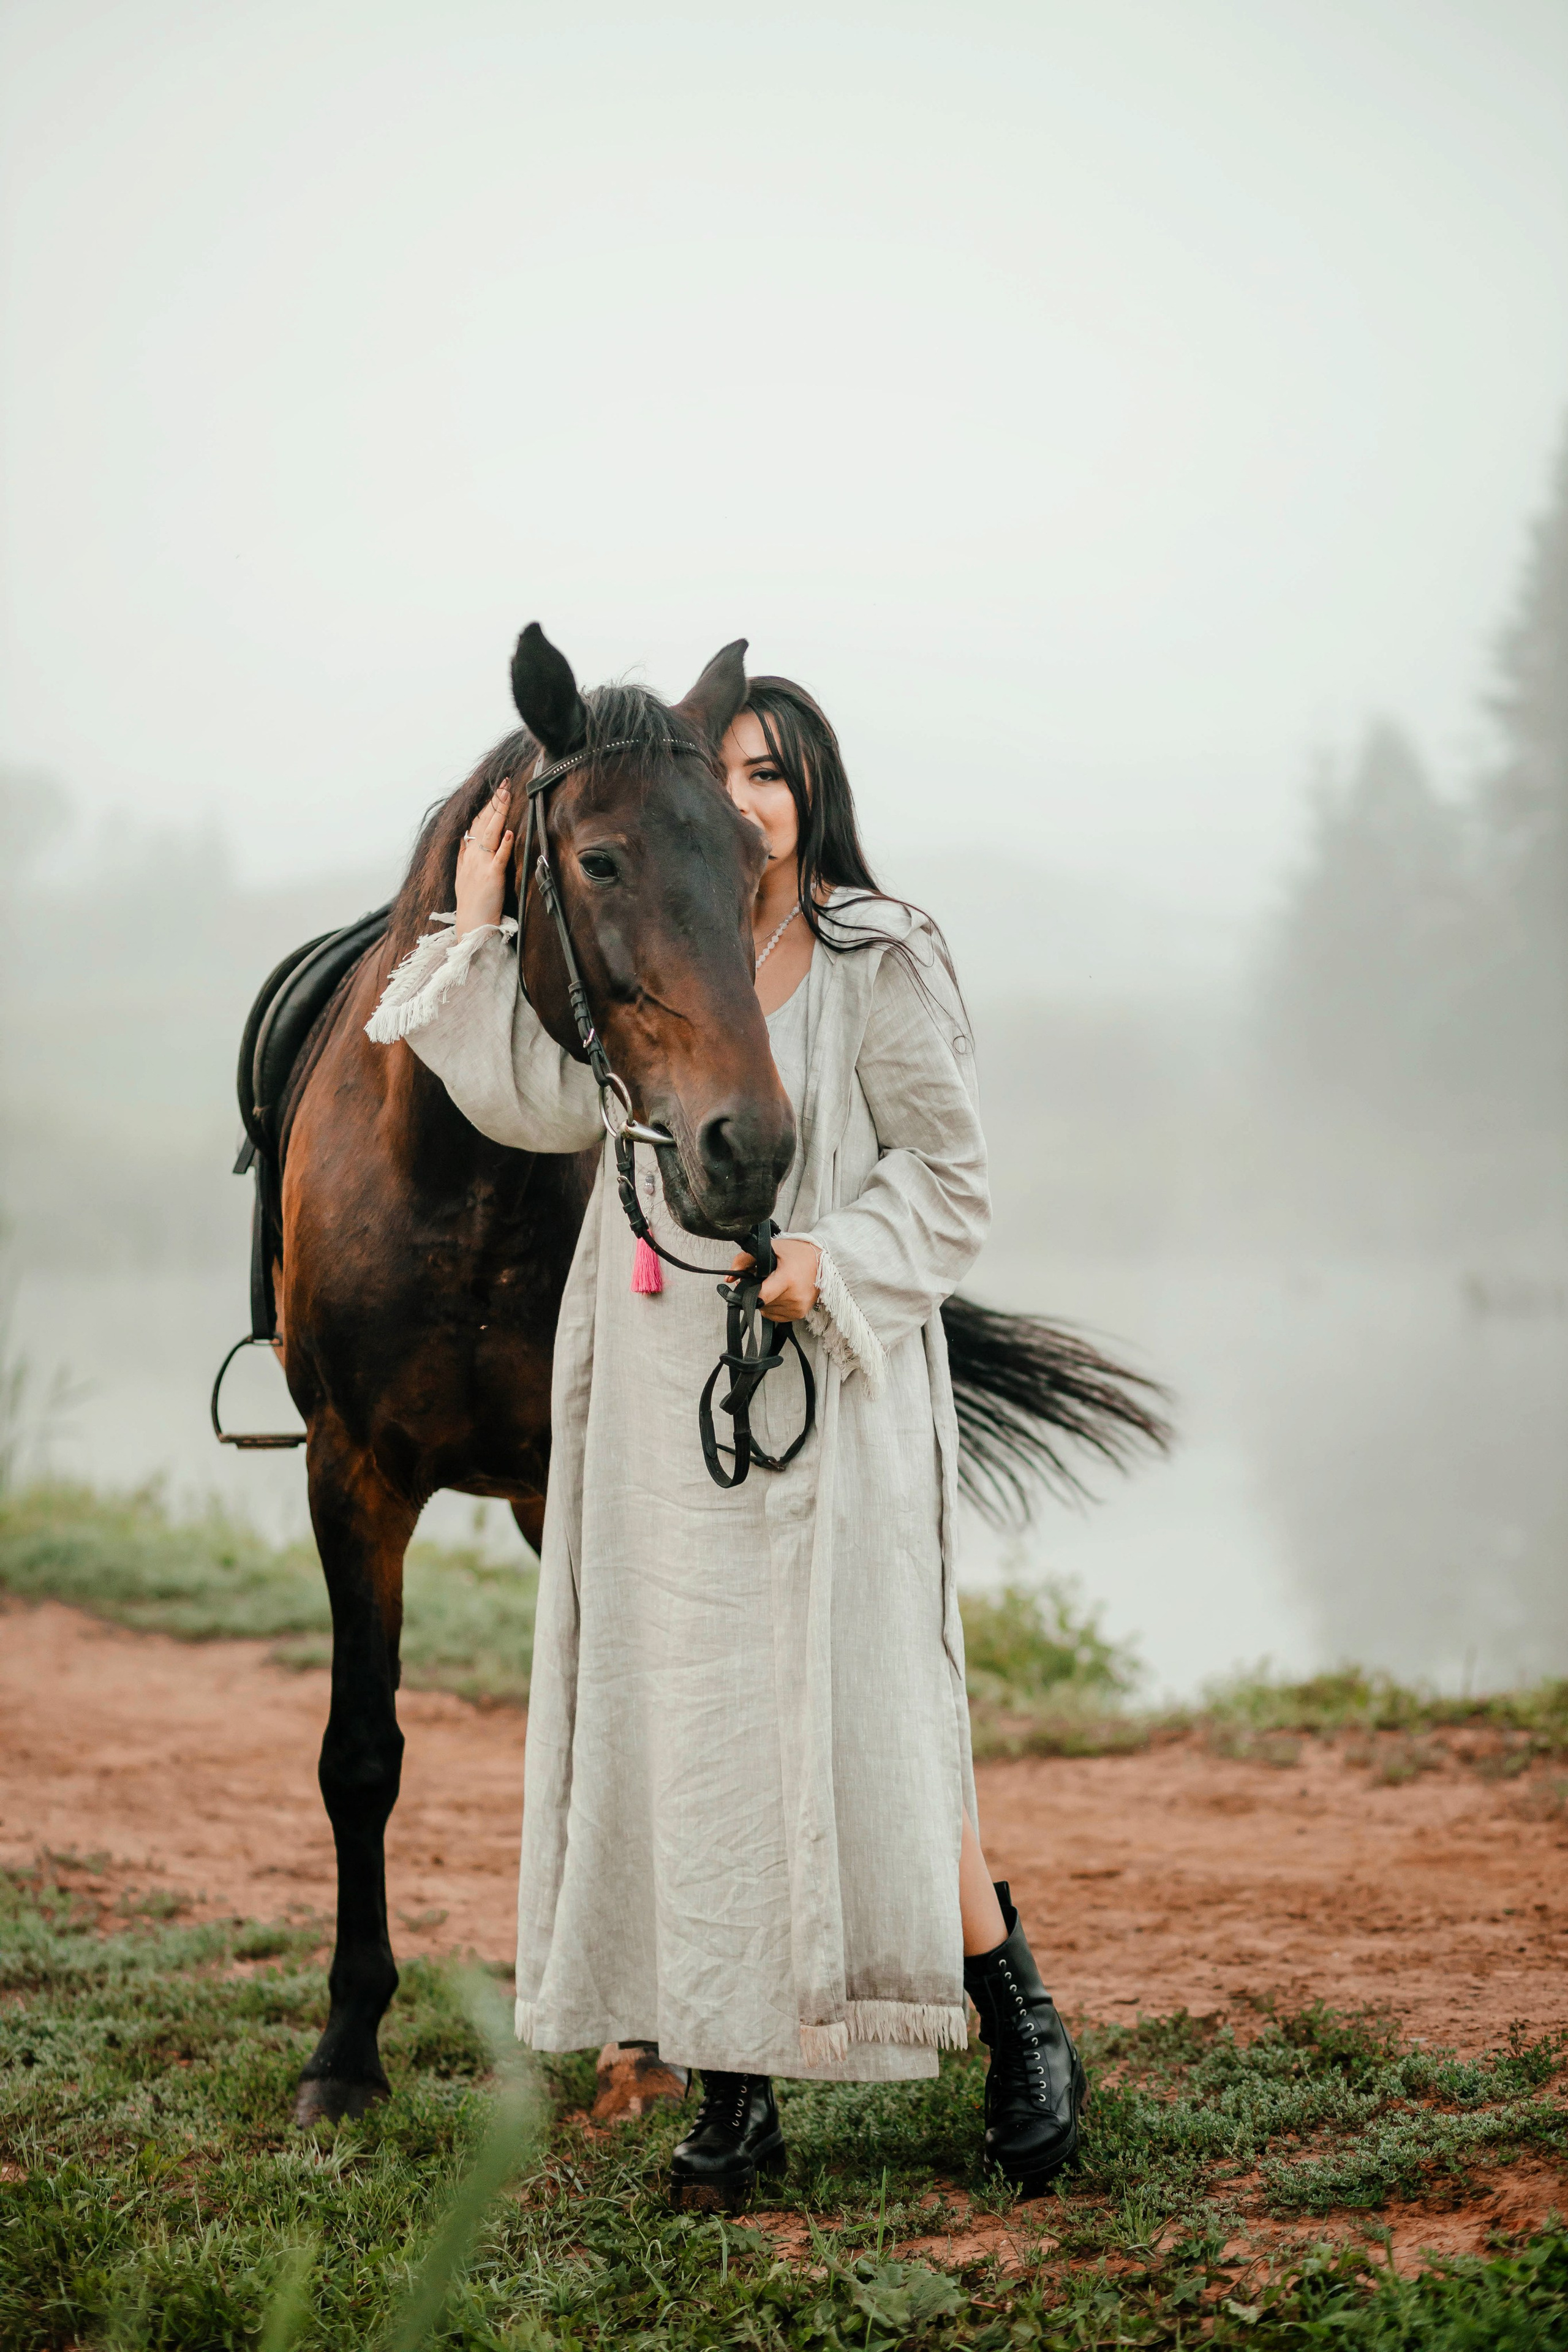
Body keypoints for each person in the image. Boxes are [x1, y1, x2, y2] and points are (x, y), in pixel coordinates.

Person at [367, 671, 1084, 2207]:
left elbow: (951, 1185)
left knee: (873, 1706)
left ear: (813, 791)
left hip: (834, 1380)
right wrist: (477, 926)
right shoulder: (673, 958)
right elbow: (529, 1103)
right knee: (696, 1735)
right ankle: (733, 2098)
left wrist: (832, 1262)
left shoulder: (877, 961)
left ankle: (1015, 2012)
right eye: (726, 774)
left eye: (772, 773)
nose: (747, 798)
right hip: (658, 1396)